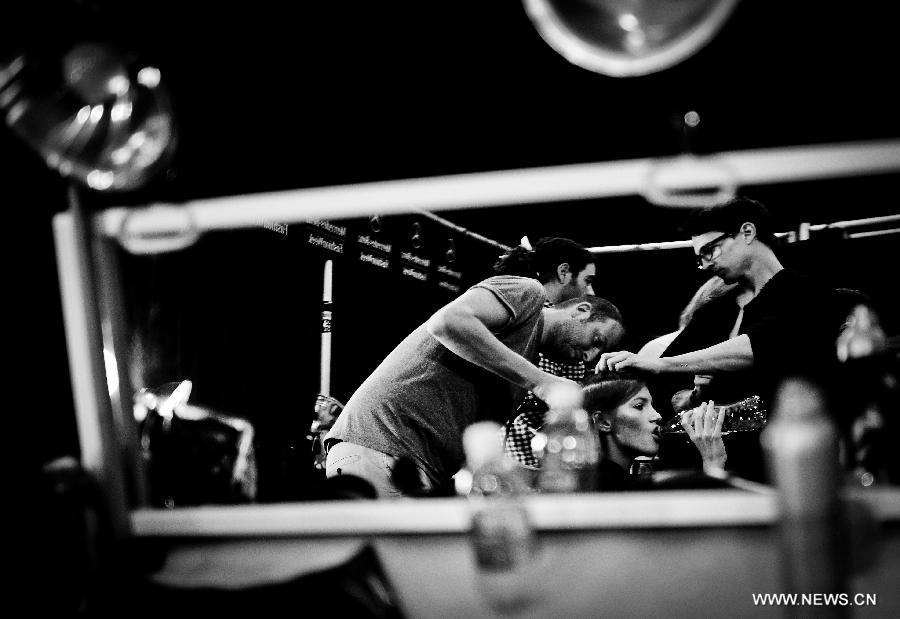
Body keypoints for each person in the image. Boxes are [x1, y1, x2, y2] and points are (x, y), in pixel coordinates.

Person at [596, 197, 838, 481]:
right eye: (700, 258)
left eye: (710, 250)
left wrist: (662, 365)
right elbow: (671, 387)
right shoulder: (715, 311)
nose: (707, 264)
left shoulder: (807, 294)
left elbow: (762, 344)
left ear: (747, 232)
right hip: (703, 466)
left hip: (780, 464)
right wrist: (690, 396)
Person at [324, 274, 624, 497]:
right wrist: (541, 381)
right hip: (380, 446)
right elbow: (447, 322)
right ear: (582, 311)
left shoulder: (519, 366)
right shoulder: (528, 294)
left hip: (418, 468)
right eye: (596, 340)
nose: (590, 355)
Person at [492, 237, 599, 468]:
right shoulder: (566, 337)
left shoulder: (513, 315)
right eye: (587, 280)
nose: (590, 291)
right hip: (532, 461)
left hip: (502, 456)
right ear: (564, 272)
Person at [582, 371, 728, 491]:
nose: (657, 416)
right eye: (639, 406)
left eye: (651, 405)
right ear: (603, 421)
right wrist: (713, 462)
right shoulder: (607, 487)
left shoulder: (610, 479)